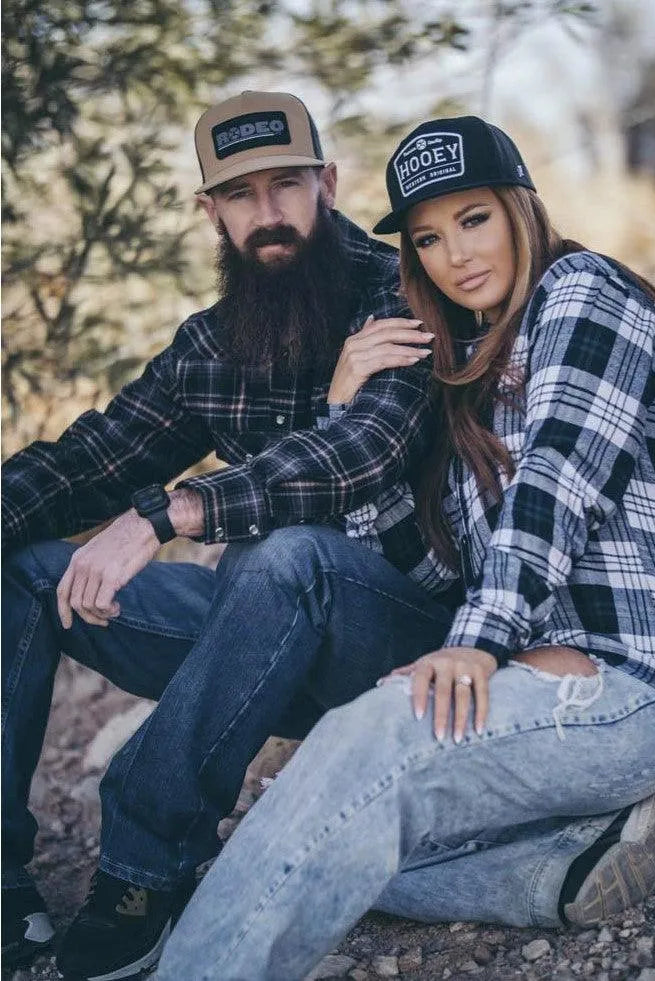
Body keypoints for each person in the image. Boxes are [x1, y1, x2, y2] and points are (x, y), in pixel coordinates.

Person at [155, 115, 655, 981]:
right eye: (427, 238)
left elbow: (557, 483)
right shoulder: (466, 365)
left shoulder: (583, 293)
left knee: (363, 762)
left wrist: (477, 641)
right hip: (548, 681)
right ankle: (562, 860)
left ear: (518, 209)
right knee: (316, 820)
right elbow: (429, 564)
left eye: (473, 219)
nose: (455, 255)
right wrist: (342, 408)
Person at [1, 90, 446, 977]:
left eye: (286, 184)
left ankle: (140, 870)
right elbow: (85, 462)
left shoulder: (403, 289)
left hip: (405, 642)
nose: (267, 212)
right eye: (240, 193)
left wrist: (164, 514)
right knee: (26, 570)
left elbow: (362, 451)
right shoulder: (210, 345)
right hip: (260, 646)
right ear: (210, 210)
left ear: (327, 183)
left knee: (283, 556)